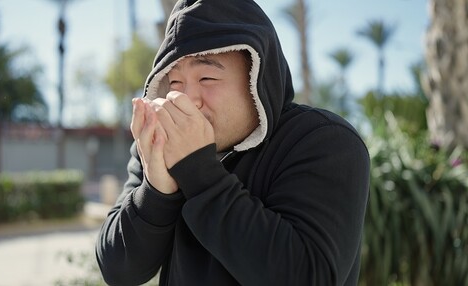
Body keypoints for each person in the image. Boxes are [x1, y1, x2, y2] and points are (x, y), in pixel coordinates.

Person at [95, 0, 370, 285]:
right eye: (174, 83)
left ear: (257, 78)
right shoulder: (160, 148)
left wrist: (199, 174)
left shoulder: (324, 141)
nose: (186, 99)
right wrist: (156, 191)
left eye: (207, 77)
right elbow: (118, 271)